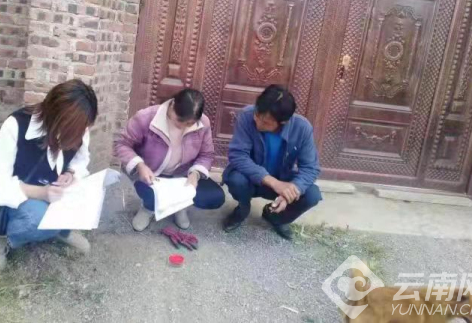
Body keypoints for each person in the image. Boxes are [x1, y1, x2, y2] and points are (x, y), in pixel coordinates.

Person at [0, 79, 98, 269]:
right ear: (58, 120)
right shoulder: (16, 125)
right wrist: (42, 193)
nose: (81, 134)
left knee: (91, 192)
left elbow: (80, 160)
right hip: (17, 199)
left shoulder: (79, 126)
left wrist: (70, 173)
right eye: (74, 131)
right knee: (37, 219)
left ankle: (59, 229)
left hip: (54, 193)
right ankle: (0, 236)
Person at [114, 89, 225, 231]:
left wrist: (195, 174)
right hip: (152, 174)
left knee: (214, 196)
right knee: (151, 194)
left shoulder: (203, 123)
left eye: (190, 123)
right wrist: (140, 165)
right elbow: (122, 144)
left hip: (182, 176)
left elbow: (206, 154)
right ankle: (149, 208)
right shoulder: (146, 118)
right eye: (180, 121)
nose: (184, 126)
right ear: (172, 105)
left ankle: (180, 206)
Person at [223, 85, 321, 240]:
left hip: (283, 178)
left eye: (265, 122)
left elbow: (310, 168)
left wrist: (291, 190)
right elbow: (238, 155)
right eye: (257, 114)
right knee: (236, 179)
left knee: (312, 195)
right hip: (251, 180)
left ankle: (276, 217)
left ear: (283, 122)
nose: (256, 121)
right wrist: (274, 183)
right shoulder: (247, 116)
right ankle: (242, 209)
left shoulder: (302, 128)